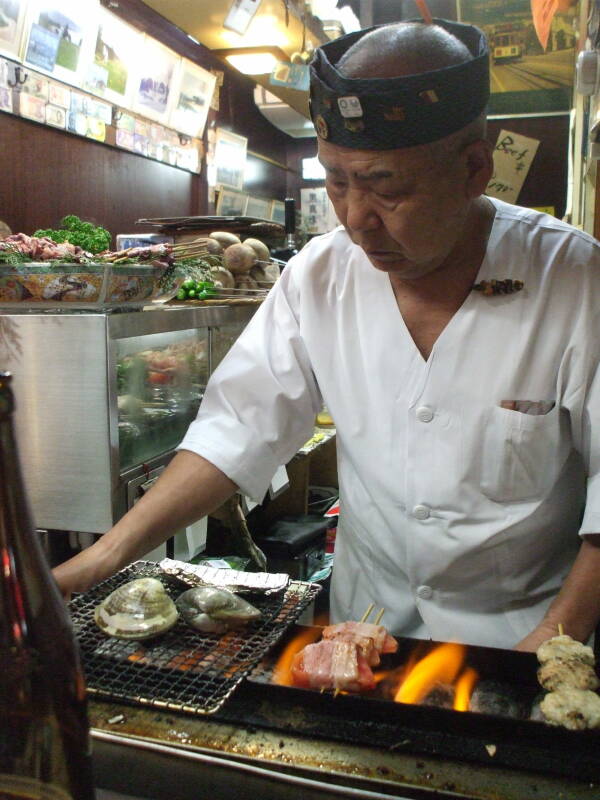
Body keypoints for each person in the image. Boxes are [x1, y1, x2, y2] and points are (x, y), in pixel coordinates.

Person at [54, 19, 600, 652]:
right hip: (366, 623)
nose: (356, 218)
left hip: (524, 631)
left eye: (386, 186)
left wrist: (557, 636)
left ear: (474, 166)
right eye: (337, 181)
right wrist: (105, 558)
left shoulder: (577, 278)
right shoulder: (321, 271)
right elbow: (239, 426)